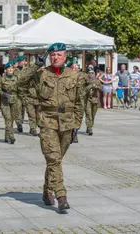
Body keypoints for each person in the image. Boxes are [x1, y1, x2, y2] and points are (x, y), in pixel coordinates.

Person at [18, 43, 86, 211]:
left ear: (65, 57)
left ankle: (47, 190)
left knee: (56, 159)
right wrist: (35, 66)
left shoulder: (75, 76)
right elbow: (19, 83)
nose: (56, 57)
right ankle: (61, 195)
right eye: (53, 55)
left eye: (59, 54)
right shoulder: (41, 73)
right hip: (47, 120)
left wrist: (77, 124)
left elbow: (79, 102)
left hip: (67, 122)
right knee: (53, 158)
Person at [0, 62, 20, 144]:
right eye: (8, 69)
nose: (10, 70)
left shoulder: (17, 78)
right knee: (8, 120)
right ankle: (11, 136)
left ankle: (7, 137)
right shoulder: (2, 79)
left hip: (14, 101)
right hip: (5, 102)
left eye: (11, 68)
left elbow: (19, 89)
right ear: (5, 70)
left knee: (12, 120)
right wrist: (4, 94)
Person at [84, 67, 103, 135]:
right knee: (88, 114)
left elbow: (101, 88)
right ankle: (90, 128)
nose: (91, 74)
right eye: (89, 73)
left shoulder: (96, 81)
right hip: (87, 100)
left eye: (92, 73)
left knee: (93, 114)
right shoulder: (85, 81)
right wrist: (89, 87)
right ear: (87, 74)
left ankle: (89, 126)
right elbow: (82, 90)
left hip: (95, 100)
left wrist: (97, 87)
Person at [14, 56, 26, 133]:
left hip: (25, 92)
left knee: (23, 109)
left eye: (23, 61)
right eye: (20, 61)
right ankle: (19, 124)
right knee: (18, 108)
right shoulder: (15, 70)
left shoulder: (27, 70)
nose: (22, 62)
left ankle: (21, 121)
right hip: (17, 92)